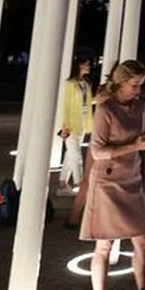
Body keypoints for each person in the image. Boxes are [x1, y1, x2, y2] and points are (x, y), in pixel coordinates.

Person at [80, 60, 145, 290]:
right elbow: (98, 150)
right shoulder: (105, 110)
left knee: (144, 239)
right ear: (120, 82)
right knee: (105, 244)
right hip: (108, 182)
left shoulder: (141, 107)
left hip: (132, 178)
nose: (138, 90)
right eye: (134, 85)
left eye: (141, 85)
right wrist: (134, 146)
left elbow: (135, 138)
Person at [57, 56, 94, 197]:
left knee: (71, 154)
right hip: (72, 124)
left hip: (83, 122)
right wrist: (65, 126)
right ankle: (80, 184)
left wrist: (100, 99)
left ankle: (62, 184)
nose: (89, 66)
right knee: (76, 156)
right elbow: (66, 105)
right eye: (86, 63)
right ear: (79, 66)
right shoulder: (70, 84)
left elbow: (88, 102)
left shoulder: (85, 83)